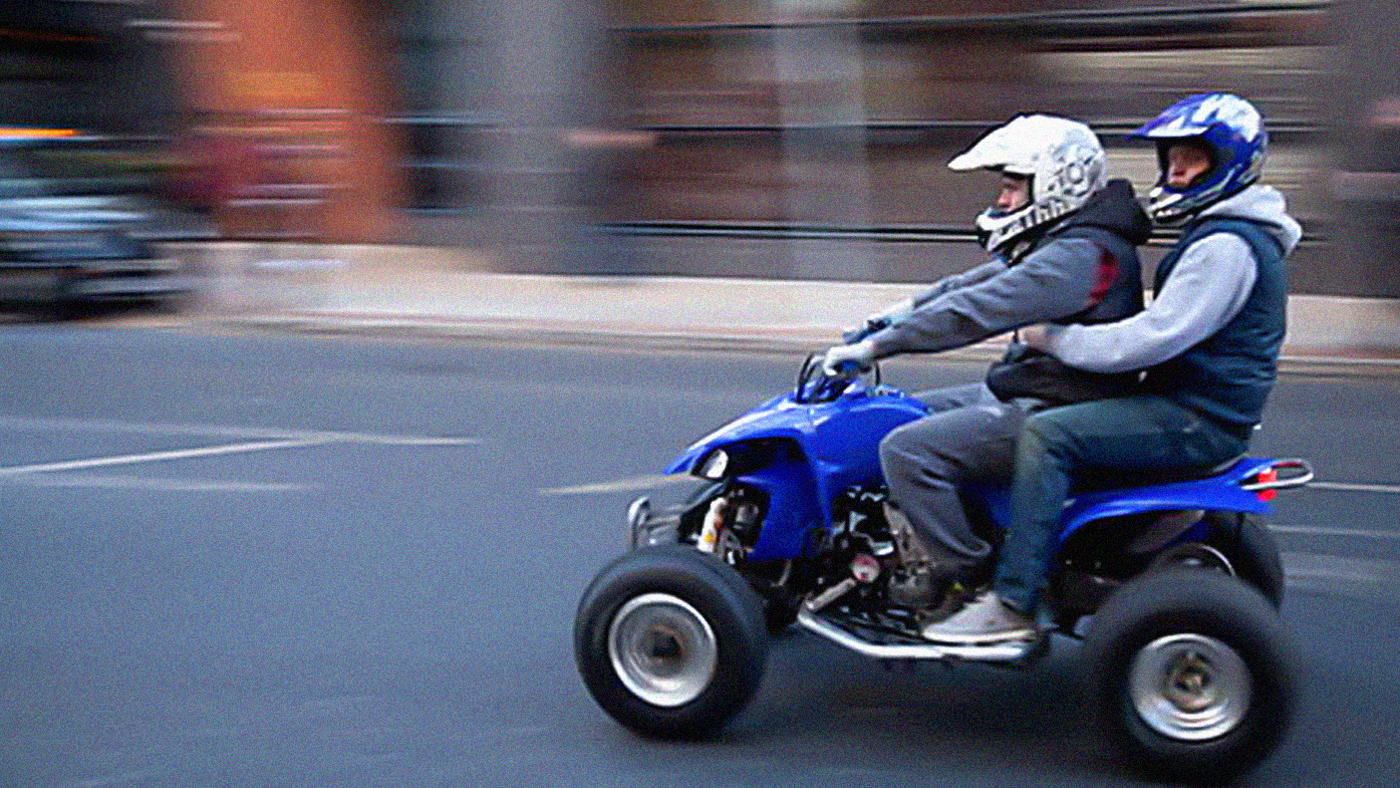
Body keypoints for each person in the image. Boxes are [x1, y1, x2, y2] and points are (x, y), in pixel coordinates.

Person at [923, 93, 1302, 644]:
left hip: (1194, 418)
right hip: (1199, 408)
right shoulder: (1233, 236)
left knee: (1049, 434)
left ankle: (1012, 601)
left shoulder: (1225, 245)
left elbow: (1149, 340)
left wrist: (1056, 339)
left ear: (1231, 165)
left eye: (1193, 158)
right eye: (1171, 156)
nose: (1176, 169)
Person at [820, 114, 1151, 618]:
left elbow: (977, 310)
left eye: (1014, 186)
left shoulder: (1082, 255)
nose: (1002, 200)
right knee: (899, 412)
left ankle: (969, 577)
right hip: (1042, 389)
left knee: (907, 451)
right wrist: (895, 315)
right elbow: (968, 286)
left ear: (1058, 182)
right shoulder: (1070, 240)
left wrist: (877, 350)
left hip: (1059, 405)